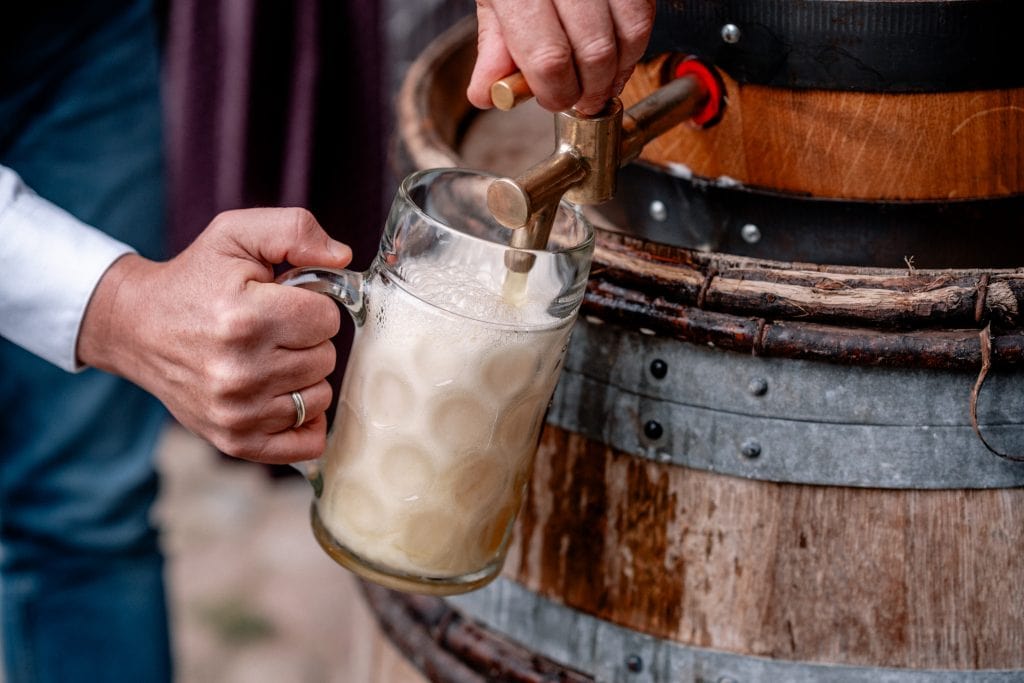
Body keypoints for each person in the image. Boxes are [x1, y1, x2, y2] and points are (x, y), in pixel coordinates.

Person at [0, 0, 654, 681]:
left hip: (78, 26)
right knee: (65, 514)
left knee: (85, 502)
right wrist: (113, 307)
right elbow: (120, 309)